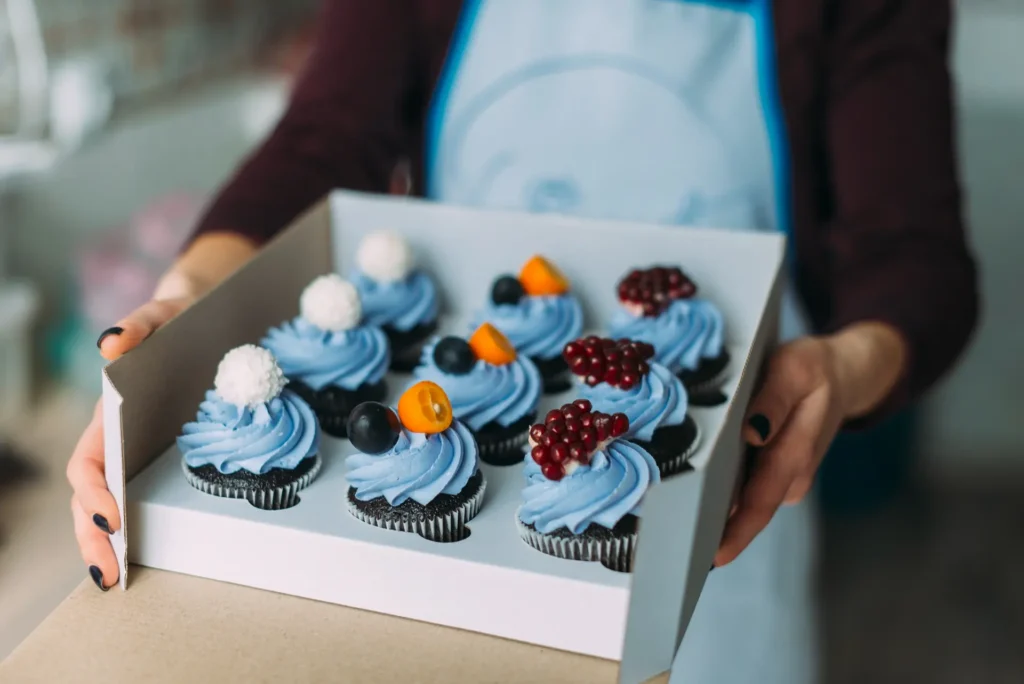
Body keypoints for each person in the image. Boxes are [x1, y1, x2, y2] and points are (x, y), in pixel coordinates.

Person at [68, 1, 978, 681]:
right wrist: (183, 303)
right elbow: (321, 141)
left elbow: (917, 263)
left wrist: (847, 366)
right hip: (474, 471)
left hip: (727, 507)